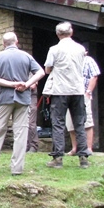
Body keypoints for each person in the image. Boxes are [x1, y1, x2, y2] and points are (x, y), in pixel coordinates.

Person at [0, 32, 45, 175]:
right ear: (17, 41)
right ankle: (17, 168)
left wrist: (11, 84)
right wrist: (26, 84)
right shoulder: (26, 56)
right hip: (23, 99)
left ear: (3, 44)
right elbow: (41, 72)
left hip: (5, 99)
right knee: (21, 133)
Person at [43, 22, 88, 169]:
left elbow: (48, 70)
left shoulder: (54, 49)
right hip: (77, 90)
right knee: (79, 123)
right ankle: (83, 158)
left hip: (60, 90)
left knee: (58, 124)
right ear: (71, 32)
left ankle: (58, 159)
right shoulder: (81, 49)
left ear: (57, 34)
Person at [66, 51, 101, 155]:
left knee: (87, 122)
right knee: (70, 122)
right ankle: (75, 148)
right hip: (70, 93)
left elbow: (94, 75)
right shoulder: (69, 61)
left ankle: (89, 148)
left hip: (83, 93)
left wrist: (88, 91)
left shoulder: (88, 60)